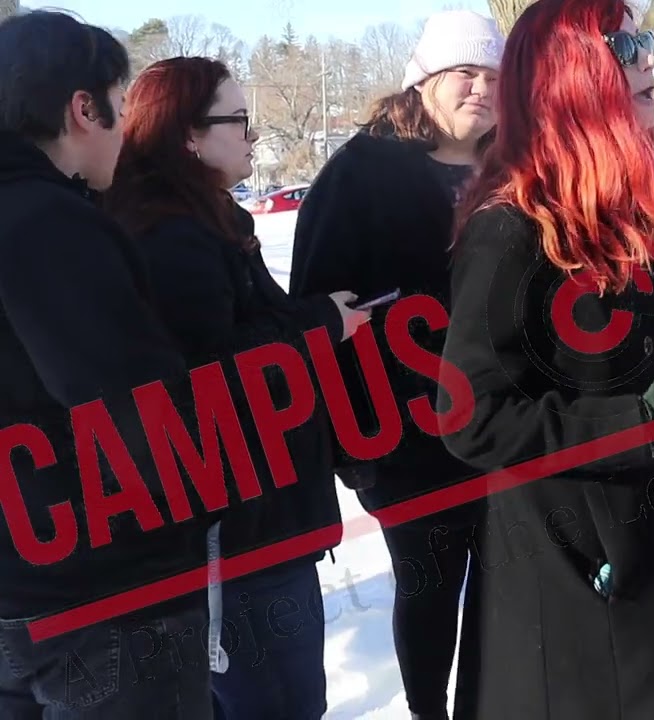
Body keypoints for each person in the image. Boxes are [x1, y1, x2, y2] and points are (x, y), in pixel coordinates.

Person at [440, 0, 654, 717]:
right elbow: (472, 418)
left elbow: (652, 375)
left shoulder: (636, 215)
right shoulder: (509, 228)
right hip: (566, 592)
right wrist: (645, 422)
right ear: (571, 78)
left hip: (652, 552)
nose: (650, 56)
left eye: (647, 37)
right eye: (626, 43)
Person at [101, 56, 369, 720]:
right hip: (240, 536)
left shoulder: (206, 221)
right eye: (239, 120)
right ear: (188, 135)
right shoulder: (174, 239)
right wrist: (321, 322)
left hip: (256, 524)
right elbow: (214, 375)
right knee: (281, 702)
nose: (253, 136)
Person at [0, 11, 234, 718]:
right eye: (120, 103)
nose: (126, 125)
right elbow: (132, 409)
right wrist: (199, 507)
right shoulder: (47, 223)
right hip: (104, 598)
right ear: (82, 107)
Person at [287, 10, 503, 718]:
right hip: (407, 437)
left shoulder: (512, 164)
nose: (481, 88)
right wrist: (357, 446)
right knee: (431, 582)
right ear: (423, 82)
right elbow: (315, 309)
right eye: (464, 73)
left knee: (507, 583)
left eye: (493, 76)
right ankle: (428, 710)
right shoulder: (361, 173)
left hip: (512, 423)